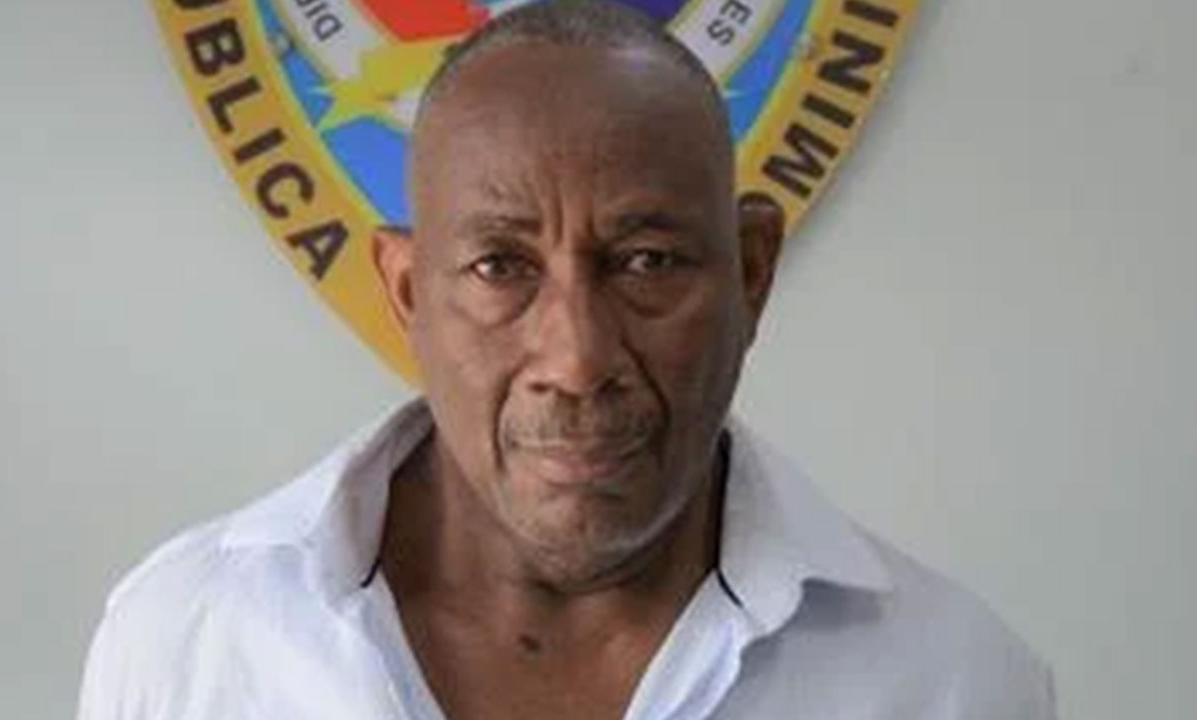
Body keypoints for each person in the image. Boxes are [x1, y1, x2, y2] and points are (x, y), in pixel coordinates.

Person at [78, 2, 1056, 718]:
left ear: (751, 273)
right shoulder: (189, 641)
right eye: (500, 267)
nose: (578, 358)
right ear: (408, 292)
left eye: (646, 262)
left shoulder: (951, 684)